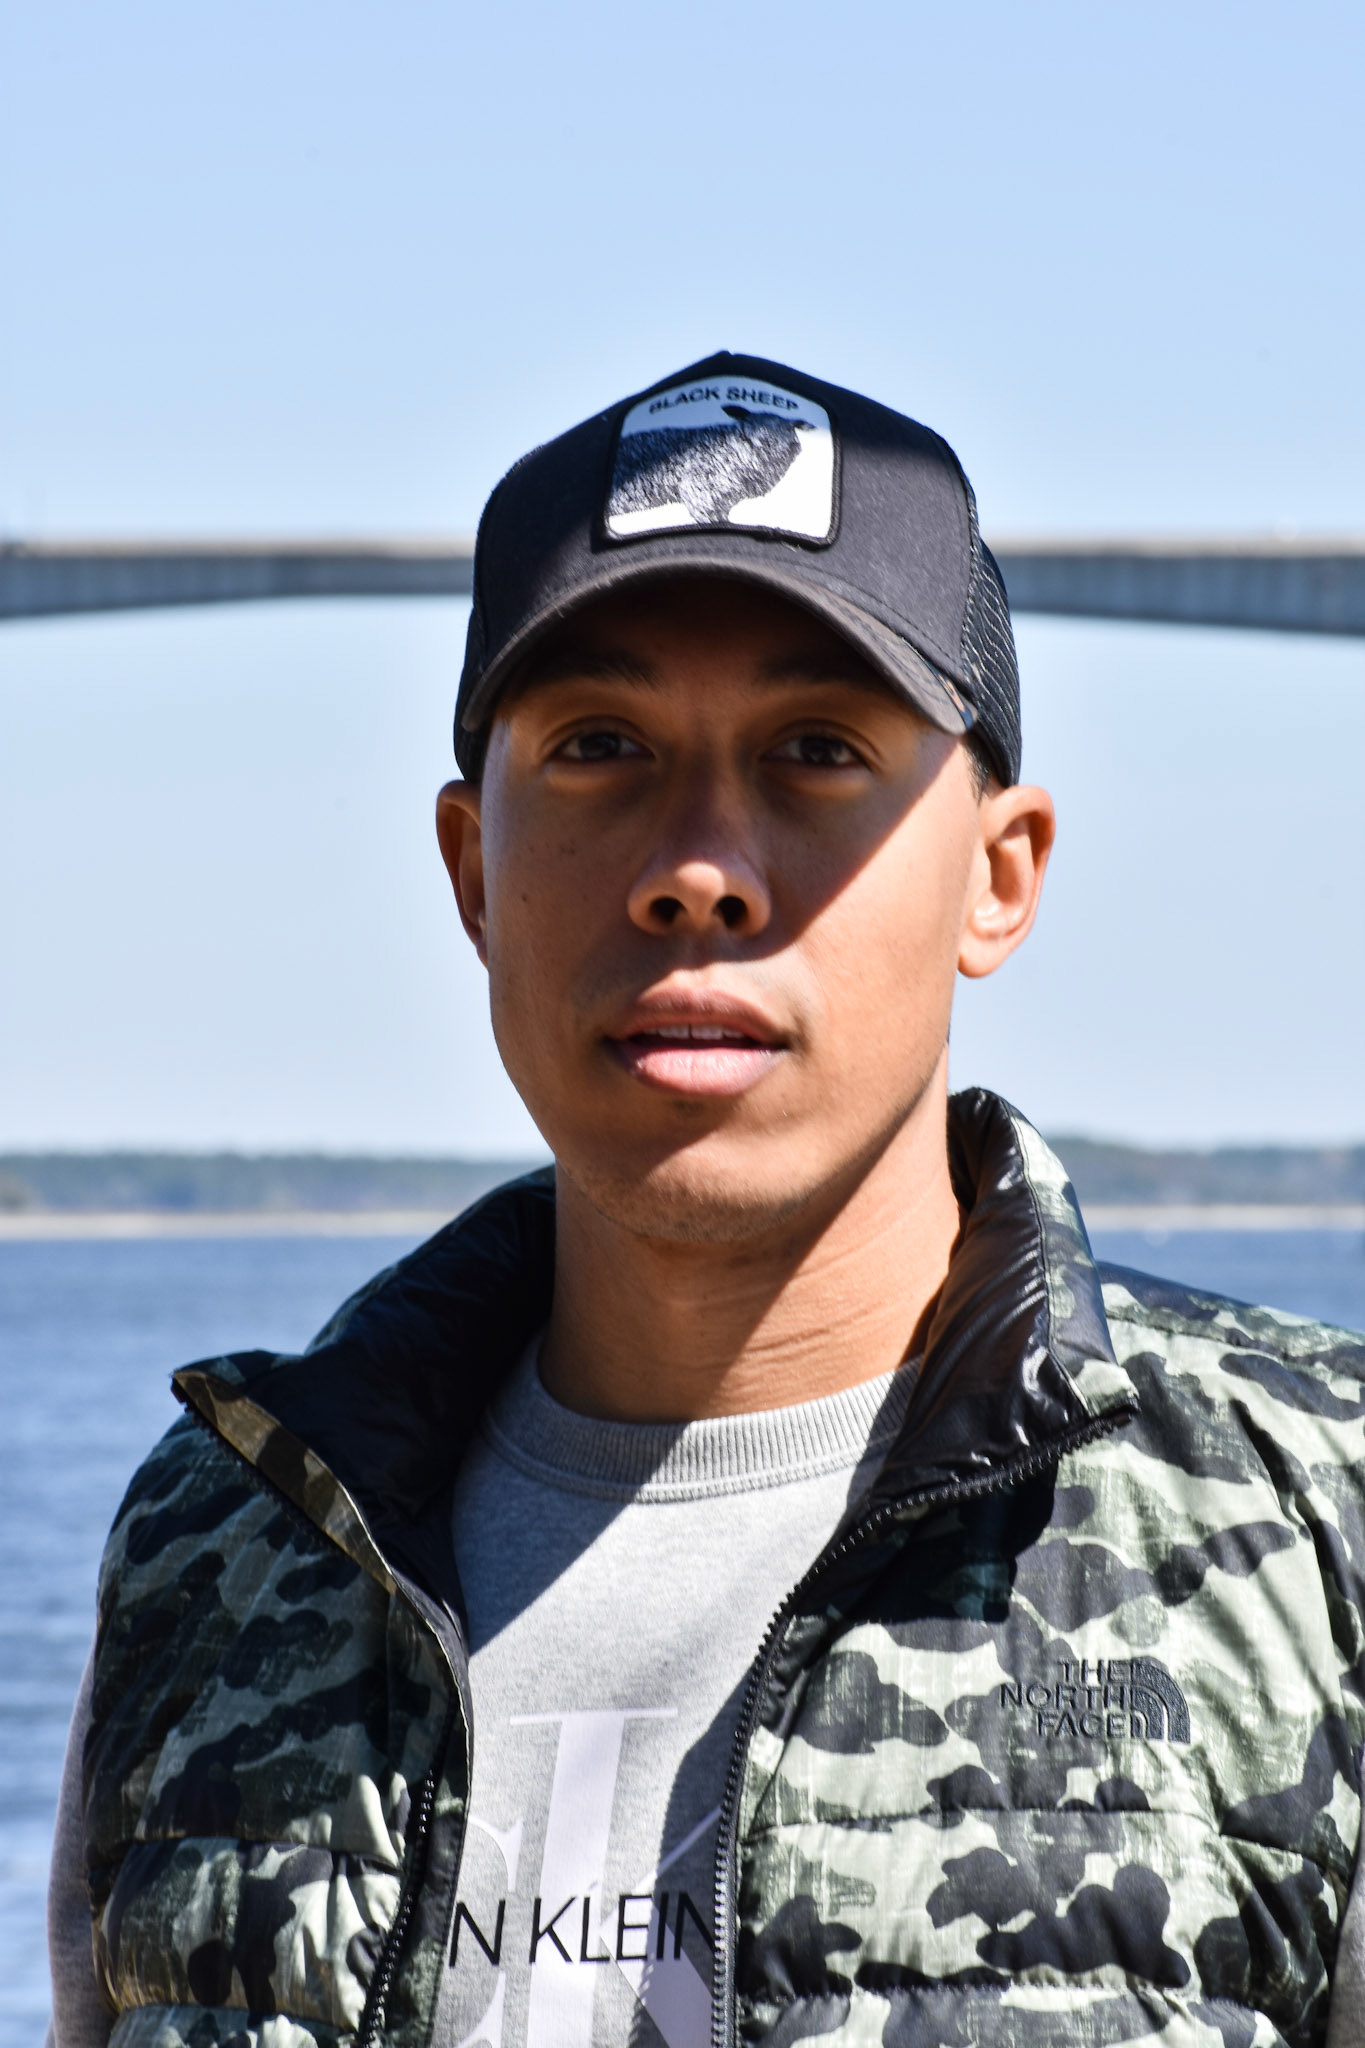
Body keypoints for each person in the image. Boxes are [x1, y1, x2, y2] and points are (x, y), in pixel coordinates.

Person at [48, 352, 1365, 2048]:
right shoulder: (222, 1553)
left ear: (998, 873)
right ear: (471, 873)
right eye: (599, 747)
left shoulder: (1312, 1528)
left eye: (817, 750)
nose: (695, 871)